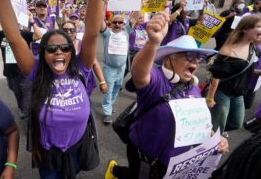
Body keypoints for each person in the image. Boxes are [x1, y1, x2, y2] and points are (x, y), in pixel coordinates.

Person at [0, 0, 117, 178]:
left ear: (72, 52)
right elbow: (13, 37)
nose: (59, 52)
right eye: (51, 49)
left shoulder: (82, 67)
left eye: (64, 48)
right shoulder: (36, 71)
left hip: (76, 150)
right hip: (47, 154)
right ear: (43, 54)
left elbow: (91, 32)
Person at [105, 11, 229, 179]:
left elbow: (197, 121)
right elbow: (139, 73)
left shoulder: (192, 86)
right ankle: (114, 171)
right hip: (145, 152)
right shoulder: (156, 78)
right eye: (189, 56)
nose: (195, 61)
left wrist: (215, 137)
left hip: (174, 160)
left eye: (199, 57)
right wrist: (153, 43)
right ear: (168, 59)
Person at [0, 11, 42, 119]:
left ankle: (28, 116)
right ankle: (22, 108)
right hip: (10, 72)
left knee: (27, 95)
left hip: (25, 72)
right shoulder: (0, 34)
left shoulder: (23, 33)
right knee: (17, 92)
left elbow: (39, 35)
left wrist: (32, 21)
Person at [206, 15, 261, 133]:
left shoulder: (253, 48)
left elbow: (247, 70)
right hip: (223, 93)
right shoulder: (228, 50)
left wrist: (259, 72)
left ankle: (211, 133)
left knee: (236, 123)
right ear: (245, 29)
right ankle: (212, 141)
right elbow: (216, 77)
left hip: (238, 94)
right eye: (258, 26)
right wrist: (210, 98)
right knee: (217, 126)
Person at [100, 14, 129, 123]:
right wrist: (104, 4)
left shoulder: (126, 32)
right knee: (108, 90)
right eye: (115, 22)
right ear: (111, 23)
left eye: (120, 22)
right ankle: (107, 113)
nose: (117, 24)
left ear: (123, 24)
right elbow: (100, 19)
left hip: (121, 68)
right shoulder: (107, 33)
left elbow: (135, 17)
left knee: (117, 87)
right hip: (109, 68)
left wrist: (139, 1)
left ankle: (110, 105)